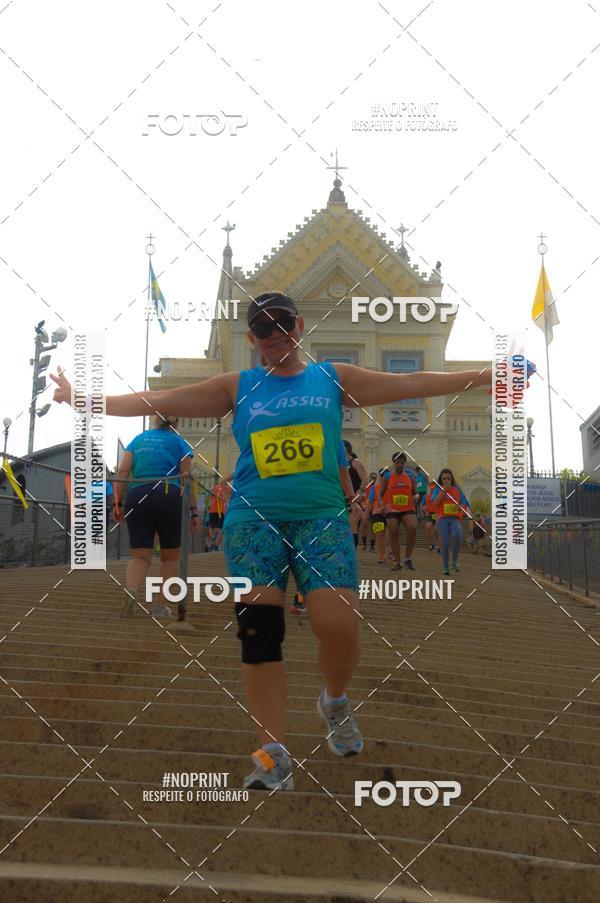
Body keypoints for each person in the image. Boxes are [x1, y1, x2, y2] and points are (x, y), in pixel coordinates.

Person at [51, 290, 493, 792]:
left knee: (338, 625)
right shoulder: (237, 385)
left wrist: (485, 376)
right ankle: (272, 752)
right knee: (260, 630)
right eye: (263, 328)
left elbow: (412, 381)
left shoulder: (332, 378)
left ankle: (334, 701)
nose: (275, 335)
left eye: (282, 324)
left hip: (321, 519)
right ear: (251, 339)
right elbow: (158, 401)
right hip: (253, 521)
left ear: (299, 326)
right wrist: (81, 399)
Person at [111, 414, 198, 621]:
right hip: (168, 494)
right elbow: (187, 480)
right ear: (176, 423)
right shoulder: (180, 442)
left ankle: (132, 591)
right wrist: (193, 511)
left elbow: (123, 470)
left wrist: (117, 503)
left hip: (138, 493)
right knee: (170, 558)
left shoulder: (139, 439)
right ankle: (160, 607)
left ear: (153, 420)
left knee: (139, 556)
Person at [378, 453, 418, 571]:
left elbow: (415, 492)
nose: (400, 465)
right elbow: (380, 494)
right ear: (394, 463)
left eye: (402, 462)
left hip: (408, 508)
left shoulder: (410, 477)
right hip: (392, 509)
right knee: (393, 531)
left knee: (413, 527)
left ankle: (408, 558)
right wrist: (382, 505)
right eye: (397, 463)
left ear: (404, 464)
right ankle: (397, 562)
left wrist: (416, 497)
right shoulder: (388, 477)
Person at [430, 469, 470, 576]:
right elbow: (434, 502)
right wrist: (443, 491)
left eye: (448, 478)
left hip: (454, 518)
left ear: (451, 479)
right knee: (446, 543)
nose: (446, 480)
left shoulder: (456, 489)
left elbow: (465, 501)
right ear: (441, 480)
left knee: (458, 535)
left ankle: (454, 562)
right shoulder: (437, 489)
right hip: (442, 519)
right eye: (444, 478)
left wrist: (461, 506)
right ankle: (446, 567)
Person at [343, 441, 367, 548]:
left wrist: (359, 493)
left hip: (352, 499)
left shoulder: (355, 462)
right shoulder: (338, 464)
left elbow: (366, 479)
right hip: (339, 499)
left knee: (352, 527)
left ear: (346, 448)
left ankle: (352, 555)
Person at [423, 480, 440, 552]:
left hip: (437, 514)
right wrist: (424, 509)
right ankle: (430, 544)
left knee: (436, 530)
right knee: (428, 527)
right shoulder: (426, 496)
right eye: (431, 486)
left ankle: (438, 545)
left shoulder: (439, 496)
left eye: (434, 486)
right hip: (429, 514)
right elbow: (422, 505)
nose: (432, 488)